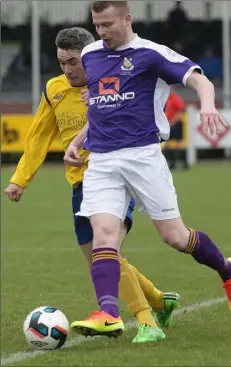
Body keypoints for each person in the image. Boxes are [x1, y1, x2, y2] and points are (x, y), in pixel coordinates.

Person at [64, 1, 231, 338]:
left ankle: (228, 271)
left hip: (143, 156)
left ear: (127, 19)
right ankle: (108, 312)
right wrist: (80, 138)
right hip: (101, 159)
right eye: (97, 25)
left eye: (108, 25)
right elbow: (100, 103)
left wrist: (208, 106)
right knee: (104, 233)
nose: (102, 32)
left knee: (175, 236)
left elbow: (198, 80)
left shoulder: (151, 53)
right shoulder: (91, 55)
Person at [4, 27, 180, 344]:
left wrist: (100, 99)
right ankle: (158, 300)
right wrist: (20, 180)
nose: (69, 70)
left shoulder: (112, 85)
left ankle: (145, 320)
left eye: (74, 62)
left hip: (115, 178)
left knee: (107, 253)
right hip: (79, 187)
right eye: (63, 63)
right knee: (99, 258)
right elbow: (38, 137)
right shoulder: (54, 90)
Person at [162, 89, 189, 170]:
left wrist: (173, 121)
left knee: (179, 144)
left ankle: (184, 164)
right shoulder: (166, 98)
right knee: (167, 144)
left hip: (176, 123)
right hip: (168, 123)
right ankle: (172, 163)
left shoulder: (175, 98)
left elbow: (181, 111)